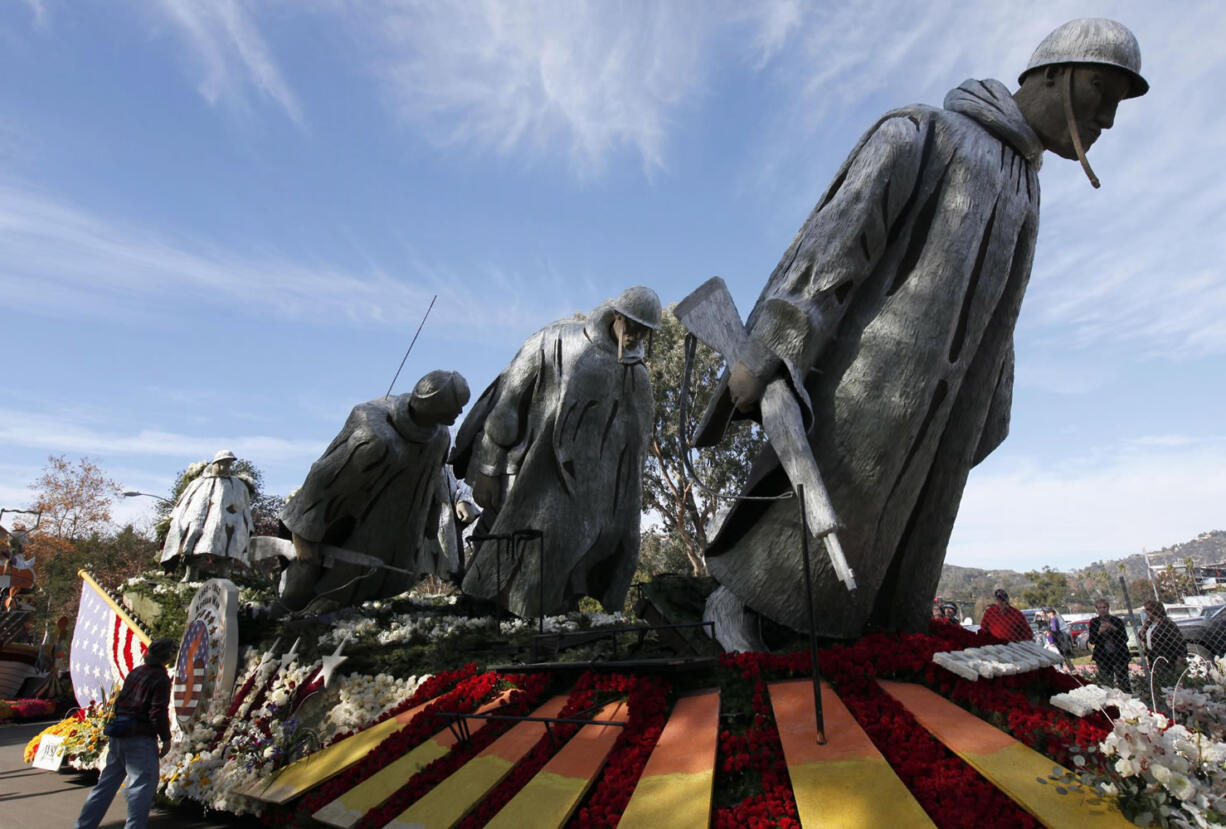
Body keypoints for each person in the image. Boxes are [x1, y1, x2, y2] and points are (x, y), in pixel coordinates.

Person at [689, 18, 1147, 641]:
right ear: (1051, 74)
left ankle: (869, 649)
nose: (1108, 120)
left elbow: (1000, 311)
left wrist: (990, 409)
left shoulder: (1027, 188)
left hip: (946, 414)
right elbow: (837, 243)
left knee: (893, 567)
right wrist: (770, 347)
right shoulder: (926, 132)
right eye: (1101, 90)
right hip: (864, 392)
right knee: (799, 550)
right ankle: (735, 614)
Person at [453, 287, 659, 617]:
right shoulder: (557, 341)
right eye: (631, 326)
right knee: (505, 558)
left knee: (564, 559)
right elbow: (507, 404)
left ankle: (552, 615)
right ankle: (485, 617)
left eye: (643, 331)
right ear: (616, 317)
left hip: (589, 496)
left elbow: (634, 446)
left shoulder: (638, 376)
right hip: (525, 474)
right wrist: (490, 467)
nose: (635, 336)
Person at [279, 371, 470, 611]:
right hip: (349, 528)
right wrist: (304, 538)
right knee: (314, 587)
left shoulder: (439, 436)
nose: (460, 413)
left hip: (398, 533)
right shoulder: (375, 437)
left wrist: (432, 518)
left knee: (383, 582)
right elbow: (321, 481)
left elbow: (435, 477)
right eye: (455, 406)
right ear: (433, 405)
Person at [76, 637, 178, 829]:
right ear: (166, 656)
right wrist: (166, 738)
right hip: (140, 738)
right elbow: (157, 712)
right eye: (173, 652)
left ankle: (83, 825)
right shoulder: (160, 678)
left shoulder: (136, 672)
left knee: (104, 787)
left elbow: (119, 701)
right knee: (140, 788)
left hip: (119, 734)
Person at [160, 449, 255, 581]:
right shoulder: (198, 483)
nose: (227, 467)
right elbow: (186, 503)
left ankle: (223, 576)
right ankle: (191, 573)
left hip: (225, 522)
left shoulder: (237, 485)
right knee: (193, 544)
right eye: (224, 463)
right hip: (198, 521)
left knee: (225, 546)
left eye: (229, 463)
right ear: (216, 463)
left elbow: (243, 507)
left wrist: (239, 521)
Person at [1088, 598, 1131, 690]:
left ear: (1108, 608)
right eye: (1099, 608)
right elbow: (1092, 640)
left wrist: (1112, 628)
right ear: (1096, 610)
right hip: (1103, 656)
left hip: (1119, 654)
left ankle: (1126, 697)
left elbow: (1125, 638)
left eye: (1104, 607)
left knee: (1123, 680)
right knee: (1106, 681)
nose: (1102, 610)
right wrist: (1099, 631)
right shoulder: (1094, 622)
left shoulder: (1117, 621)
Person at [1140, 599, 1186, 678]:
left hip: (1166, 656)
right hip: (1153, 656)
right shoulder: (1150, 624)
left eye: (1147, 610)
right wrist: (1146, 625)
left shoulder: (1166, 623)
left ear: (1155, 610)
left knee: (1168, 678)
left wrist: (1180, 656)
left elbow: (1177, 640)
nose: (1146, 612)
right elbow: (1142, 636)